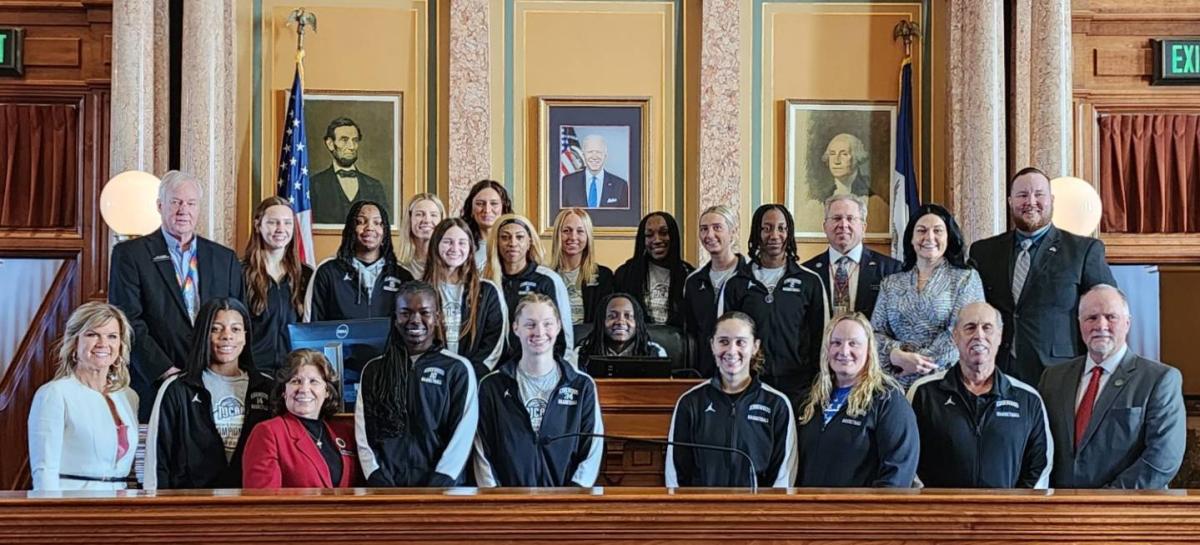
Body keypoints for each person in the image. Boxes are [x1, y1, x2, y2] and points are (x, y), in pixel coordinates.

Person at [108, 169, 245, 420]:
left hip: (215, 384)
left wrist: (222, 370)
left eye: (191, 203)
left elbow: (236, 322)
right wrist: (166, 371)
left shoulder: (225, 259)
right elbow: (127, 321)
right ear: (160, 205)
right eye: (176, 202)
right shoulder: (130, 255)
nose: (184, 209)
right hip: (156, 382)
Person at [970, 166, 1117, 386]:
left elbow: (1106, 309)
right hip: (996, 369)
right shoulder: (984, 252)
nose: (1031, 201)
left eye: (1039, 194)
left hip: (1059, 373)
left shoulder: (1083, 250)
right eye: (1022, 195)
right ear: (1010, 201)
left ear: (1052, 200)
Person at [1038, 284, 1185, 489]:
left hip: (1126, 511)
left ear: (1127, 323)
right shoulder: (1053, 378)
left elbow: (1163, 458)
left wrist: (1107, 499)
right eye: (1091, 318)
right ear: (1079, 324)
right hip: (1060, 509)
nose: (1101, 325)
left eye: (1111, 317)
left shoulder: (1160, 379)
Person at [908, 302, 1052, 489]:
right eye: (970, 328)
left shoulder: (1028, 399)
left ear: (1000, 336)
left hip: (1007, 515)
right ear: (955, 337)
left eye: (987, 328)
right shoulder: (923, 393)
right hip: (941, 515)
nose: (979, 335)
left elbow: (1040, 465)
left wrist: (1017, 509)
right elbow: (908, 457)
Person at [355, 282, 479, 486]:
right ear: (395, 318)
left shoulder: (457, 369)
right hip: (386, 491)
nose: (415, 320)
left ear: (437, 317)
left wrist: (440, 482)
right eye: (405, 313)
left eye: (424, 312)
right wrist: (378, 479)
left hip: (442, 491)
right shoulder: (374, 370)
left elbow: (462, 435)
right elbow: (364, 433)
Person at [473, 294, 604, 487]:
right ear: (515, 328)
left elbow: (591, 450)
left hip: (566, 506)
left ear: (559, 326)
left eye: (547, 323)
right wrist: (496, 498)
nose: (539, 332)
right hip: (506, 506)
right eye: (530, 324)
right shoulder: (492, 386)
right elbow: (482, 451)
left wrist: (573, 498)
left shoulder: (581, 385)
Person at [144, 298, 274, 489]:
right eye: (216, 329)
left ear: (246, 336)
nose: (226, 336)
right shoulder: (177, 388)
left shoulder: (267, 388)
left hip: (250, 507)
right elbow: (157, 461)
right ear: (203, 334)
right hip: (191, 508)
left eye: (236, 329)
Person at [665, 311, 797, 488]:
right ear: (712, 345)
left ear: (755, 346)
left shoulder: (777, 404)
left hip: (757, 512)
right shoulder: (690, 402)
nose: (731, 350)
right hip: (703, 511)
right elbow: (676, 471)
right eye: (723, 342)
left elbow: (784, 474)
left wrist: (766, 512)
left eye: (741, 342)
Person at [795, 312, 918, 487]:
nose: (844, 351)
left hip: (860, 512)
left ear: (869, 350)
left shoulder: (888, 400)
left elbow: (898, 474)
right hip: (809, 510)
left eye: (854, 344)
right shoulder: (809, 400)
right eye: (836, 343)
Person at [719, 204, 826, 401]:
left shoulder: (809, 281)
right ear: (757, 233)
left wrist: (817, 383)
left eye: (781, 228)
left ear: (789, 232)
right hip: (749, 385)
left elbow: (820, 337)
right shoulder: (736, 283)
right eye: (767, 228)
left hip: (798, 387)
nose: (774, 235)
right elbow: (724, 337)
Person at [27, 302, 139, 490]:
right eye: (92, 334)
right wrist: (49, 515)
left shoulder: (128, 396)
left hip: (121, 507)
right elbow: (44, 470)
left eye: (112, 336)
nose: (103, 344)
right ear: (74, 342)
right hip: (73, 504)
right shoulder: (54, 394)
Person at [872, 203, 985, 389]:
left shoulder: (965, 278)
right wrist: (896, 355)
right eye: (921, 230)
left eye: (938, 231)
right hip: (894, 381)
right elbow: (874, 333)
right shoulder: (891, 283)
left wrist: (919, 364)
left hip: (946, 382)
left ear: (949, 237)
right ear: (911, 238)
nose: (929, 237)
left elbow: (964, 332)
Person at [242, 349, 358, 488]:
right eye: (295, 381)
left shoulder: (345, 432)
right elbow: (264, 504)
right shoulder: (268, 433)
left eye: (313, 381)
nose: (304, 389)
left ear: (327, 391)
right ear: (284, 391)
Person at [305, 200, 413, 321]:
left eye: (377, 223)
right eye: (361, 222)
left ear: (385, 232)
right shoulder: (327, 272)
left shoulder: (402, 275)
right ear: (351, 229)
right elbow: (311, 327)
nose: (370, 227)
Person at [425, 218, 507, 377]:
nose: (455, 248)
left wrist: (467, 375)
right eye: (448, 241)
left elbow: (494, 343)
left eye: (462, 243)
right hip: (431, 378)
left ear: (470, 248)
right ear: (436, 245)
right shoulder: (421, 291)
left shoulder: (488, 291)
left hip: (474, 379)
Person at [484, 213, 573, 357]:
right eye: (505, 237)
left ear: (529, 241)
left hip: (538, 363)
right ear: (496, 242)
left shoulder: (547, 279)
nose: (512, 243)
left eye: (519, 237)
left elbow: (564, 334)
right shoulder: (486, 281)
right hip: (495, 367)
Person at [242, 196, 312, 374]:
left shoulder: (306, 275)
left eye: (287, 223)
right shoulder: (238, 273)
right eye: (273, 222)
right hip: (252, 373)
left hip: (293, 374)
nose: (281, 229)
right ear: (258, 225)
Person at [801, 194, 901, 319]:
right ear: (825, 227)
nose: (843, 225)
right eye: (836, 218)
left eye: (850, 218)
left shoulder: (891, 270)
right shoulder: (806, 272)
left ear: (863, 227)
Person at [684, 205, 746, 376]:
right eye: (704, 229)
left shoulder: (750, 276)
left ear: (732, 232)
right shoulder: (693, 281)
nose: (709, 235)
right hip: (706, 372)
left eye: (717, 228)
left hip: (742, 371)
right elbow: (692, 331)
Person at [614, 212, 694, 328]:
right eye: (649, 235)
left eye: (664, 233)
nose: (657, 240)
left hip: (677, 343)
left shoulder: (689, 275)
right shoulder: (625, 274)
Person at [310, 117, 390, 225]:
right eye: (344, 140)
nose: (351, 147)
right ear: (330, 144)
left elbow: (385, 225)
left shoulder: (375, 186)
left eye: (355, 140)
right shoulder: (314, 185)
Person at [549, 208, 614, 327]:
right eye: (566, 231)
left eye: (580, 231)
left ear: (588, 236)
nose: (573, 237)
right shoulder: (546, 277)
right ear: (557, 235)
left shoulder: (603, 276)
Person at [575, 293, 668, 370]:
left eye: (628, 316)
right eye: (612, 316)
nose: (620, 321)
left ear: (638, 322)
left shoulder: (655, 352)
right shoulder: (581, 353)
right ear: (601, 322)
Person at [560, 134, 630, 208]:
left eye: (598, 152)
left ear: (605, 155)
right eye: (590, 152)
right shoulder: (568, 183)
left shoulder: (621, 186)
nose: (594, 156)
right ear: (583, 155)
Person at [460, 179, 513, 271]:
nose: (487, 210)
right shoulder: (460, 244)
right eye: (480, 204)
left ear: (503, 208)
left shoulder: (514, 244)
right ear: (471, 209)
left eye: (494, 204)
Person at [398, 192, 445, 280]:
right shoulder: (397, 268)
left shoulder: (451, 265)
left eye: (433, 215)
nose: (427, 220)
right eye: (419, 214)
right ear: (409, 220)